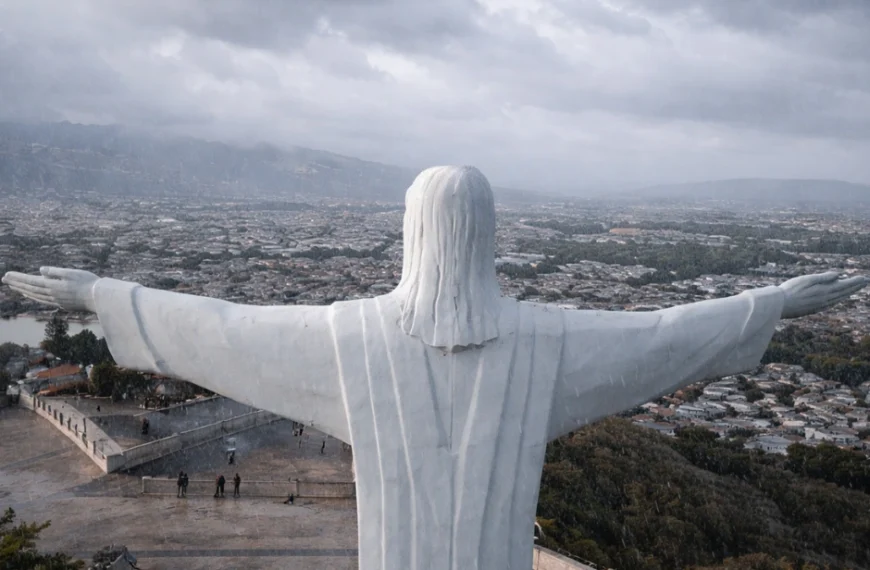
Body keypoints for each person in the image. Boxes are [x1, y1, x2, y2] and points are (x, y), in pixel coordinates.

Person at [6, 165, 868, 570]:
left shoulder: (343, 337)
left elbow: (220, 329)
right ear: (489, 236)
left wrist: (104, 293)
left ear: (409, 232)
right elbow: (666, 335)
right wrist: (769, 303)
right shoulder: (554, 341)